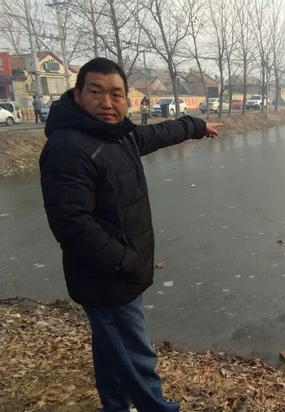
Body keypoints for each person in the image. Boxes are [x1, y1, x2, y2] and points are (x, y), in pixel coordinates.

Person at [39, 57, 222, 412]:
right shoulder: (68, 148)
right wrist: (125, 262)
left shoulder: (117, 135)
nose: (107, 103)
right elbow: (71, 223)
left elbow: (157, 134)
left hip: (117, 272)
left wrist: (196, 126)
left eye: (116, 94)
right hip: (107, 277)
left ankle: (115, 407)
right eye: (96, 92)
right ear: (77, 95)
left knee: (112, 350)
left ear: (126, 98)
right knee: (136, 357)